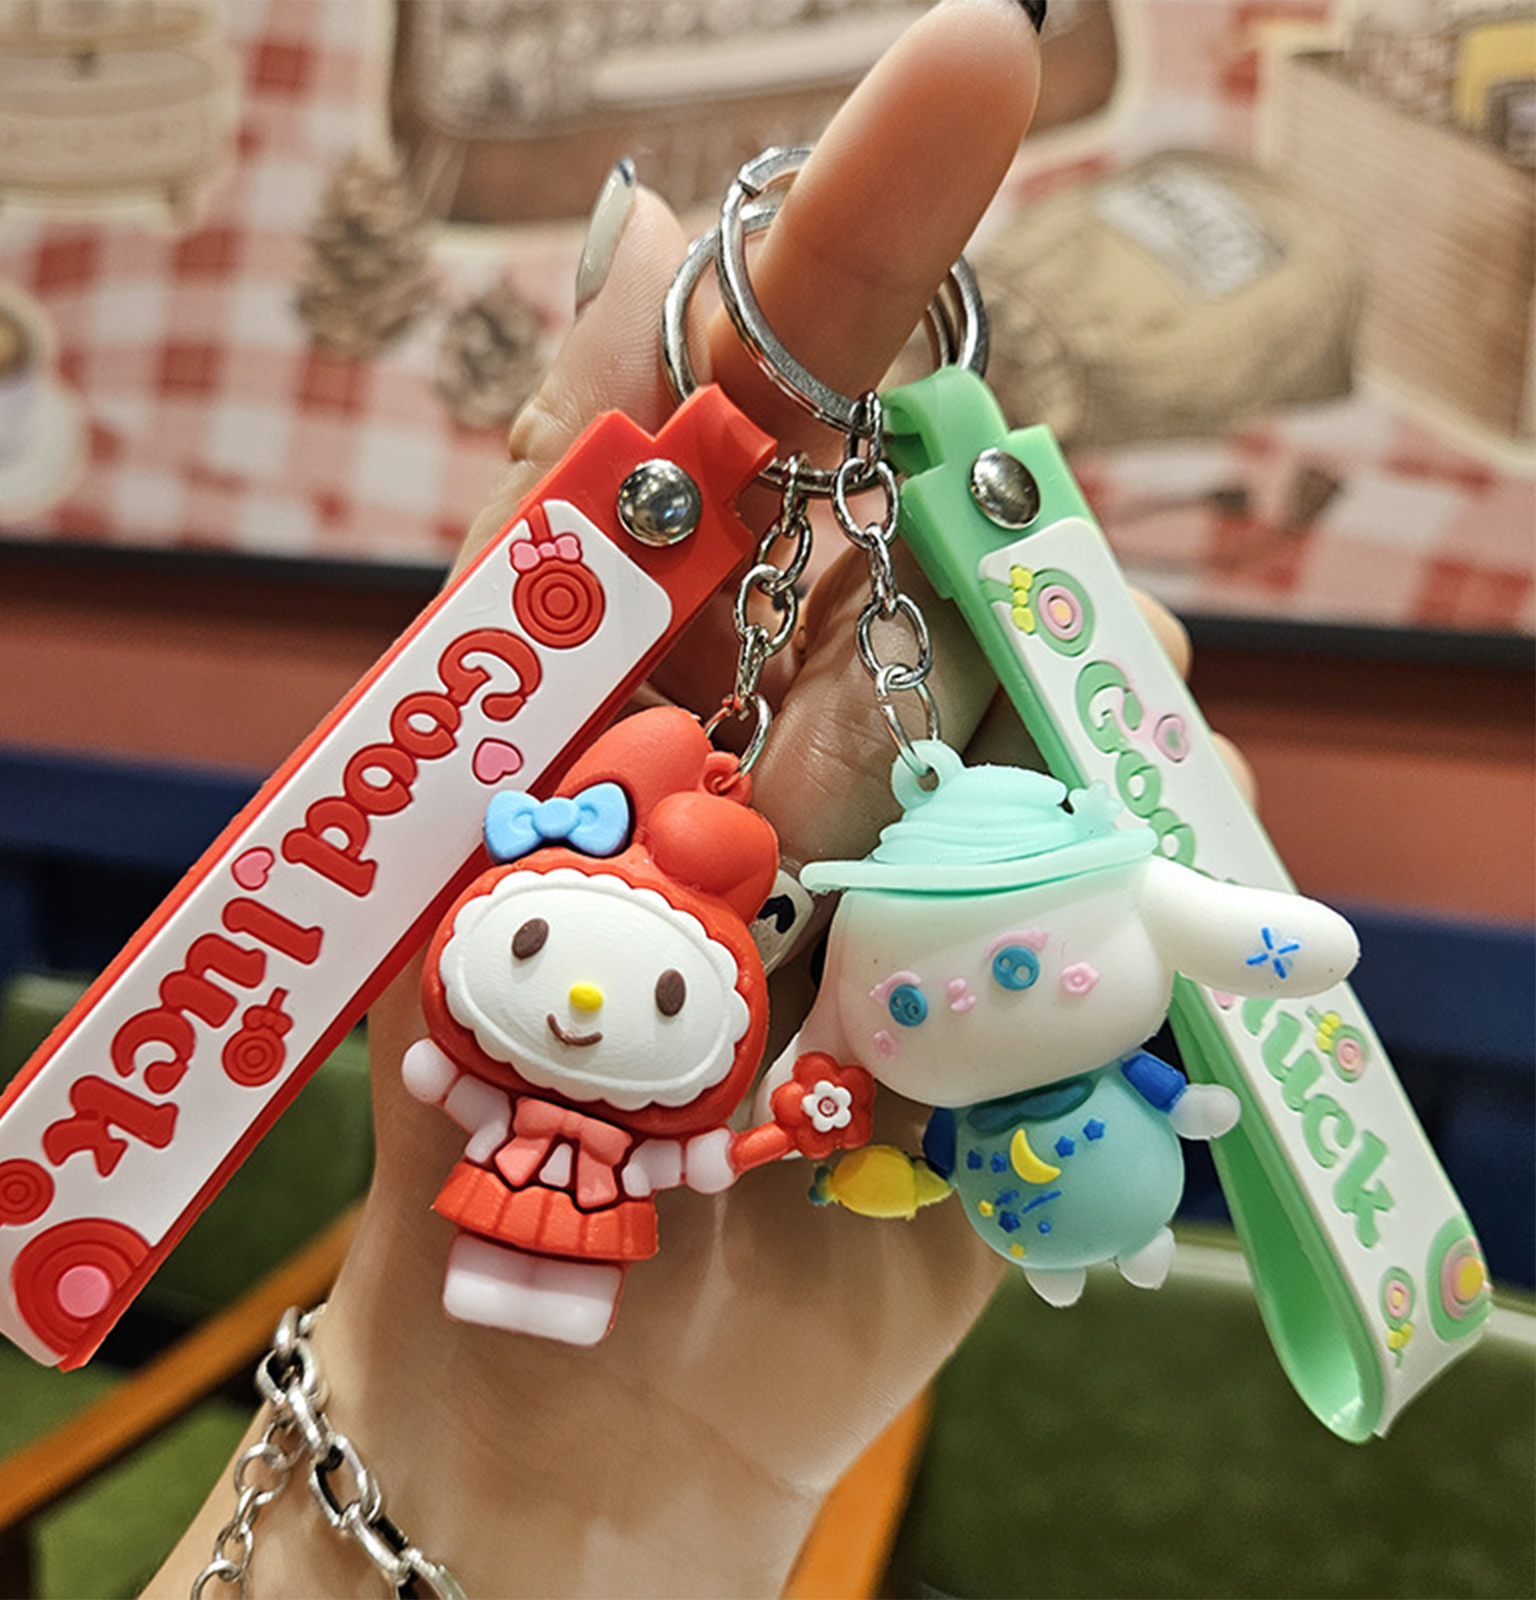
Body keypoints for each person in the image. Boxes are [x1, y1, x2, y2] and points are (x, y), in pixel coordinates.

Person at [146, 2, 1231, 1592]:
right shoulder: (520, 1018)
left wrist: (772, 1140)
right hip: (512, 1241)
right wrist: (442, 1419)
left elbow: (698, 1148)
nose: (587, 1009)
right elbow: (475, 1071)